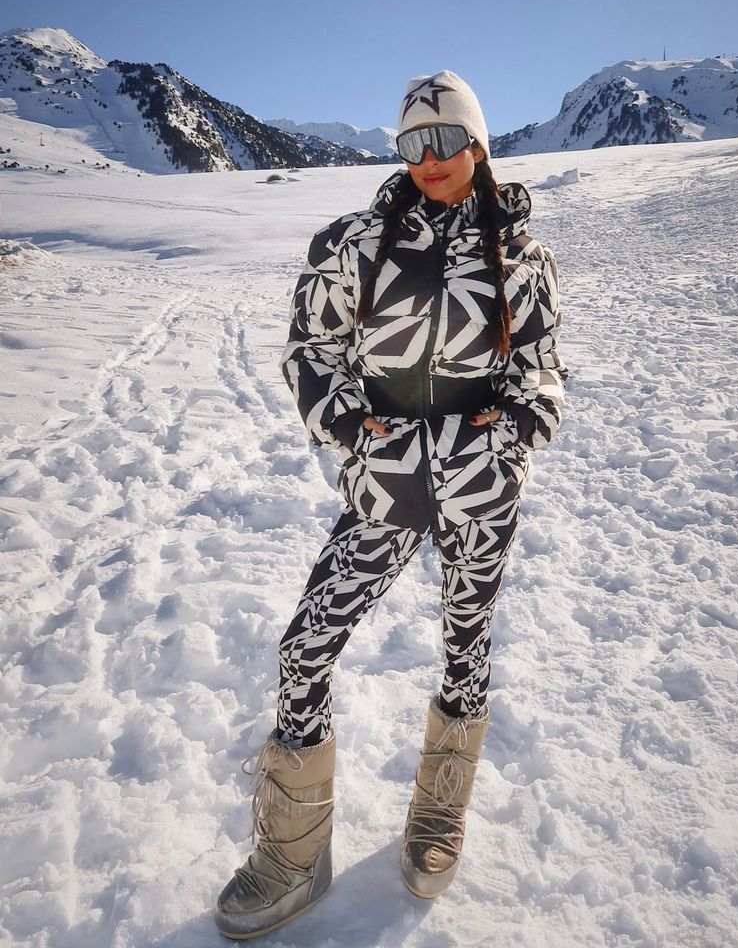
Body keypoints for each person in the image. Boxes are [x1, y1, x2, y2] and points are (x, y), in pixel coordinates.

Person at [214, 70, 567, 940]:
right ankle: (293, 850)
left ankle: (438, 814)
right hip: (385, 490)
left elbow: (542, 367)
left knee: (465, 650)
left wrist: (512, 434)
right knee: (304, 651)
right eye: (412, 143)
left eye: (447, 139)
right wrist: (354, 429)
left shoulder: (521, 255)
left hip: (479, 492)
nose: (430, 159)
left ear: (477, 144)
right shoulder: (353, 243)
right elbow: (312, 348)